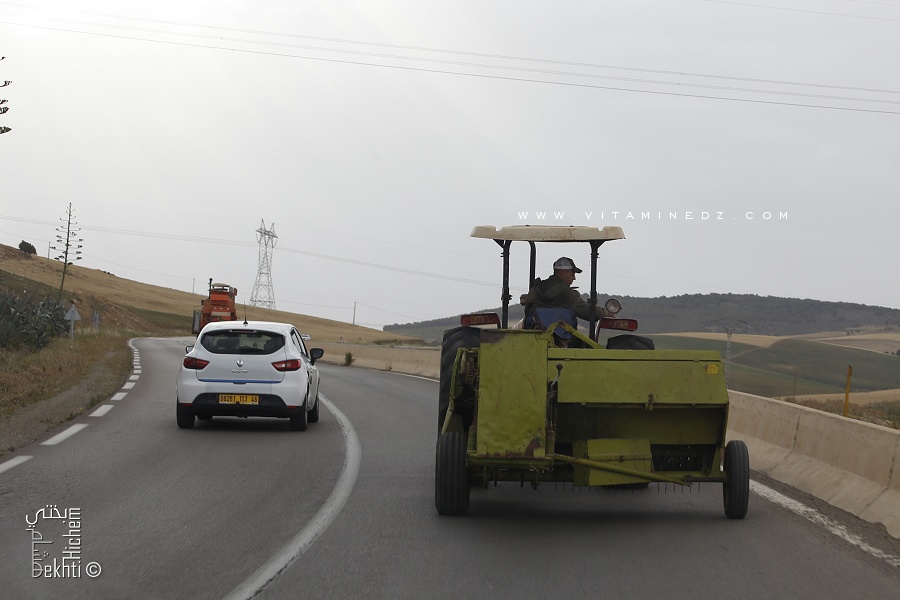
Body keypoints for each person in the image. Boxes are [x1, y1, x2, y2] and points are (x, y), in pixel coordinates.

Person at [523, 256, 611, 326]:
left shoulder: (535, 290)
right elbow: (588, 313)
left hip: (536, 336)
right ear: (563, 274)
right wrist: (605, 313)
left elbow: (527, 312)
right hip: (560, 339)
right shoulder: (566, 294)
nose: (574, 278)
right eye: (572, 274)